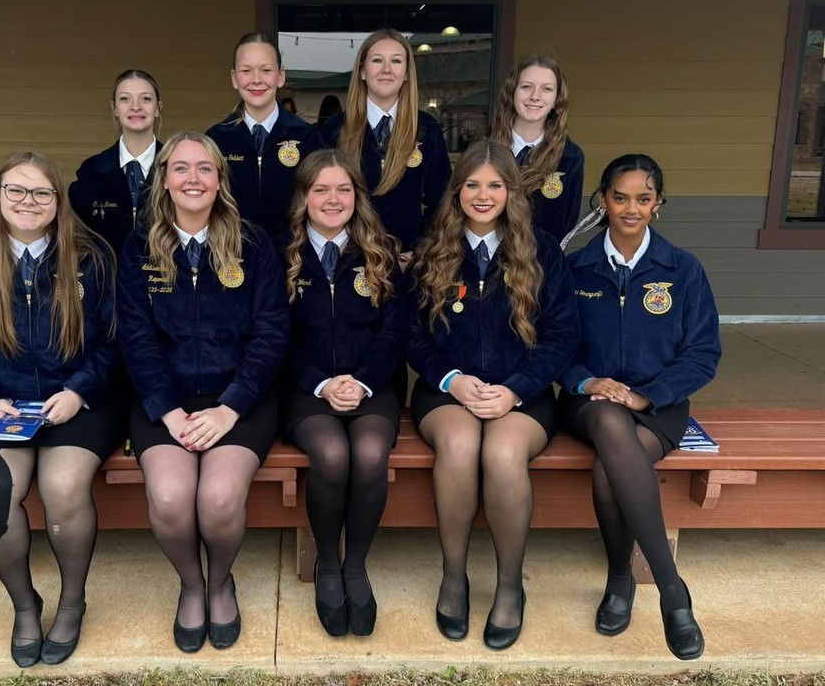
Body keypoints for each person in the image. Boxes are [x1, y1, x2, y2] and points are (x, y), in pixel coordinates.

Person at [0, 152, 119, 667]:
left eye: (41, 193)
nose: (27, 202)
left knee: (62, 488)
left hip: (76, 404)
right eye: (16, 190)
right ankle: (24, 605)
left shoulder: (89, 255)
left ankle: (73, 602)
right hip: (0, 403)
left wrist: (78, 391)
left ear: (58, 202)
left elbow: (112, 340)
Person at [117, 131, 289, 653]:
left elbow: (271, 332)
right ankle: (192, 584)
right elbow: (136, 336)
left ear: (220, 180)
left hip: (240, 400)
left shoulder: (253, 244)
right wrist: (167, 410)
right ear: (164, 179)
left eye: (205, 169)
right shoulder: (140, 245)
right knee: (170, 500)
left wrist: (229, 408)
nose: (193, 179)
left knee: (217, 499)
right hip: (164, 400)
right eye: (181, 168)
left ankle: (221, 582)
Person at [407, 139, 579, 649]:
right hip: (446, 389)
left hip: (521, 392)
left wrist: (515, 390)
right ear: (457, 190)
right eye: (473, 185)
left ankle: (508, 585)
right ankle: (454, 576)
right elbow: (412, 336)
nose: (483, 196)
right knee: (460, 446)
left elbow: (563, 337)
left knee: (504, 454)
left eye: (495, 185)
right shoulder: (434, 248)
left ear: (512, 191)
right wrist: (452, 380)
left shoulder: (541, 248)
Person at [558, 154, 720, 661]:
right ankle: (673, 591)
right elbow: (554, 347)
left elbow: (703, 353)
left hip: (659, 405)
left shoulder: (683, 269)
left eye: (643, 198)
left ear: (659, 205)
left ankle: (621, 578)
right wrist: (589, 382)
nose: (632, 208)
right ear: (603, 200)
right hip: (589, 402)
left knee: (611, 468)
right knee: (608, 419)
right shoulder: (575, 267)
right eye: (620, 197)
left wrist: (647, 395)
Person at [279, 149, 405, 637]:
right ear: (303, 196)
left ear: (358, 196)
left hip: (370, 384)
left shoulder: (380, 251)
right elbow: (274, 334)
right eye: (321, 189)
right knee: (330, 454)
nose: (333, 200)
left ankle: (357, 565)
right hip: (306, 387)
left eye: (344, 190)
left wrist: (363, 381)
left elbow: (394, 331)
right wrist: (323, 383)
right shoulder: (280, 252)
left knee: (371, 453)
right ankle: (328, 564)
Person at [321, 29, 451, 265]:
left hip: (406, 263)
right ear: (362, 71)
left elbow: (442, 201)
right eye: (377, 60)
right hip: (349, 262)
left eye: (396, 61)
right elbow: (318, 198)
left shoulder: (427, 129)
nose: (386, 69)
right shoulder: (335, 129)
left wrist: (421, 249)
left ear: (406, 74)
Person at [207, 33, 323, 240]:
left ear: (281, 76)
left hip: (293, 259)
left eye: (266, 70)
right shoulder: (216, 140)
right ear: (234, 78)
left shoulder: (307, 138)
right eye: (246, 71)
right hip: (232, 260)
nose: (256, 80)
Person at [489, 54, 584, 245]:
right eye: (526, 87)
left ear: (557, 99)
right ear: (511, 92)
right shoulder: (484, 150)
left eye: (546, 89)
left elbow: (566, 225)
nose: (535, 96)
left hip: (540, 265)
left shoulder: (570, 157)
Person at [70, 69, 164, 254]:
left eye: (145, 99)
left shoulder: (177, 166)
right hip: (107, 280)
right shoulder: (91, 172)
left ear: (158, 108)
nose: (135, 106)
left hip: (166, 280)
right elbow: (78, 239)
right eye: (125, 99)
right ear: (114, 108)